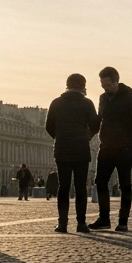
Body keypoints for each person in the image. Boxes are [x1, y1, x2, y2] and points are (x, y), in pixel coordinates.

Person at [90, 66, 132, 232]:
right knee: (100, 182)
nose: (105, 89)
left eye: (107, 85)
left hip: (124, 149)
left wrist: (128, 143)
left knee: (125, 184)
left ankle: (123, 220)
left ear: (116, 81)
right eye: (102, 85)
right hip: (106, 147)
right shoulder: (103, 98)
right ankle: (104, 217)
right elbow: (99, 120)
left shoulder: (130, 96)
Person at [45, 73, 99, 233]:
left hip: (62, 149)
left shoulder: (56, 103)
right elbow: (95, 125)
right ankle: (81, 223)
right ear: (83, 86)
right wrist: (87, 136)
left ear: (67, 86)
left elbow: (48, 126)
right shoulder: (87, 104)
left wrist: (59, 136)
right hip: (81, 149)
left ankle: (62, 223)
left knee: (64, 187)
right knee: (80, 186)